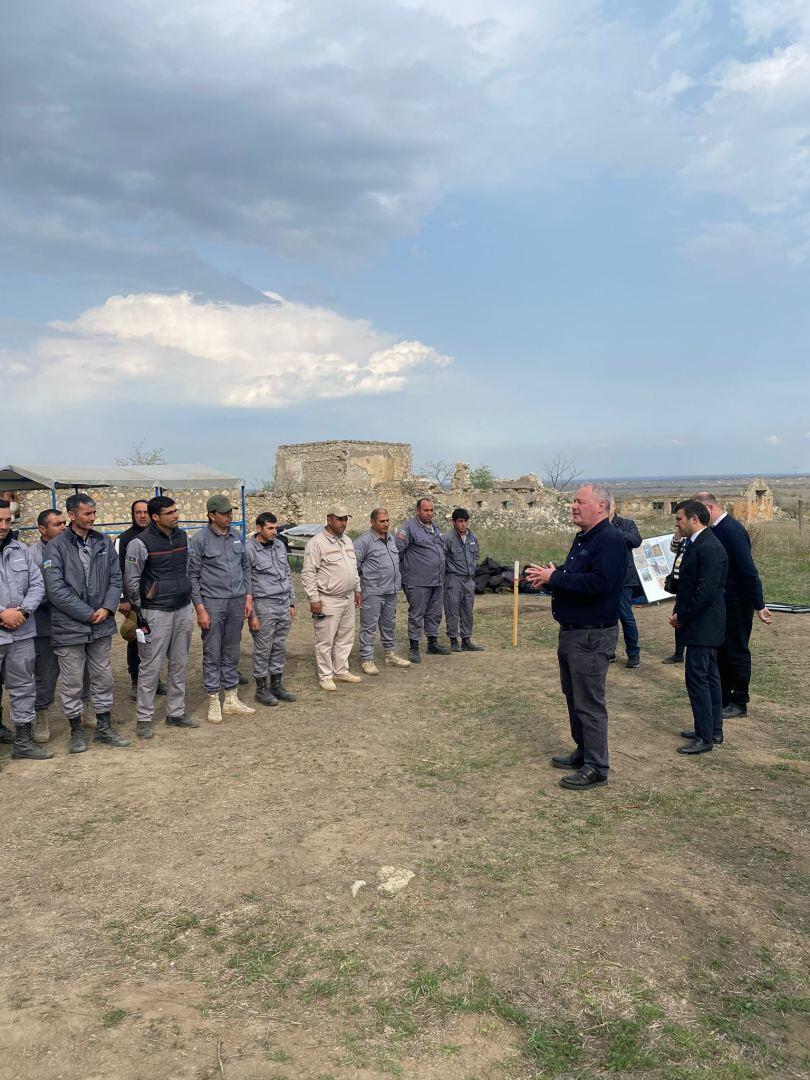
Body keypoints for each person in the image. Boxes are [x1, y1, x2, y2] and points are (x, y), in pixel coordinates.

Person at [525, 483, 626, 790]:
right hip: (573, 633)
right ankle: (584, 751)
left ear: (601, 506)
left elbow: (599, 584)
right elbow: (577, 578)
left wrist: (556, 577)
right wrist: (551, 579)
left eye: (580, 502)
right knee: (574, 697)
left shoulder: (610, 540)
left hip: (591, 636)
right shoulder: (584, 537)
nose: (573, 506)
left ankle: (596, 767)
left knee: (589, 702)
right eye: (573, 501)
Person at [43, 493, 129, 752]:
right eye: (87, 513)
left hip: (101, 624)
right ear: (71, 515)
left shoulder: (103, 542)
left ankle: (103, 726)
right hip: (69, 626)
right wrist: (87, 613)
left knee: (103, 676)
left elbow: (116, 578)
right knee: (72, 681)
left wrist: (107, 608)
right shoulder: (55, 547)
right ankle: (76, 731)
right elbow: (55, 589)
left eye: (94, 513)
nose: (92, 518)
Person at [123, 496, 199, 738]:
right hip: (155, 612)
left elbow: (188, 569)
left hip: (182, 608)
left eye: (176, 510)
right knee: (150, 666)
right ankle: (144, 718)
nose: (176, 516)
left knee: (179, 663)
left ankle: (176, 713)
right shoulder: (139, 543)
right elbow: (132, 580)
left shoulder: (182, 537)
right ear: (155, 517)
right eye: (170, 512)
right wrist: (142, 609)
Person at [693, 491, 772, 718]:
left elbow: (748, 570)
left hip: (737, 602)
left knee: (736, 651)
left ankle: (739, 701)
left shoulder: (732, 530)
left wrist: (759, 604)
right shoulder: (715, 530)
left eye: (698, 512)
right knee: (722, 651)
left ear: (709, 508)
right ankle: (724, 698)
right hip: (722, 602)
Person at [188, 495, 255, 723]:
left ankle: (231, 697)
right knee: (212, 650)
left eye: (230, 512)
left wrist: (248, 596)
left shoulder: (236, 536)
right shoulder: (200, 540)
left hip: (236, 601)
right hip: (213, 602)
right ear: (211, 515)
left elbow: (246, 567)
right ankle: (213, 697)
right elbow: (193, 576)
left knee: (232, 649)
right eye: (224, 513)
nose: (229, 516)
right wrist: (200, 608)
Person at [29, 508, 92, 744]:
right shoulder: (31, 554)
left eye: (64, 523)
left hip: (74, 621)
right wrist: (60, 598)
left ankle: (86, 707)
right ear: (42, 529)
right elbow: (34, 589)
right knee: (45, 673)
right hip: (44, 624)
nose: (64, 527)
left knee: (82, 669)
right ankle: (42, 716)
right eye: (57, 524)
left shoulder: (74, 547)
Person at [670, 500, 728, 755]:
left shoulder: (710, 547)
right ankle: (711, 729)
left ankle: (705, 737)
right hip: (700, 623)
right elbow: (688, 580)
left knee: (698, 680)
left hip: (703, 625)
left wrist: (682, 617)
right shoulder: (695, 543)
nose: (677, 524)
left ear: (695, 519)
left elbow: (704, 592)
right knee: (709, 677)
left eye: (680, 519)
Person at [0, 498, 50, 762]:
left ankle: (23, 742)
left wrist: (23, 612)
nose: (4, 525)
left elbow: (38, 585)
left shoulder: (21, 550)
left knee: (23, 687)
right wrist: (2, 613)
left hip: (21, 632)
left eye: (8, 520)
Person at [301, 506, 362, 691]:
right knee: (325, 640)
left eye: (345, 519)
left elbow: (353, 567)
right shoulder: (316, 543)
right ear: (329, 520)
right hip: (328, 599)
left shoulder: (347, 540)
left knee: (346, 637)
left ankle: (341, 670)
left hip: (347, 597)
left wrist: (357, 588)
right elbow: (308, 573)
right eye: (339, 519)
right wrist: (314, 599)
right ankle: (326, 675)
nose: (343, 523)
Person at [118, 500, 167, 701]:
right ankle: (136, 680)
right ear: (133, 514)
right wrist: (123, 598)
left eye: (145, 512)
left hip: (158, 600)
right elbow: (118, 570)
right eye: (138, 512)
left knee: (157, 640)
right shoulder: (124, 539)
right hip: (135, 600)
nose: (142, 516)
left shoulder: (161, 536)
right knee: (136, 639)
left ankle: (154, 679)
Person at [246, 512, 297, 706]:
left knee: (279, 645)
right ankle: (261, 689)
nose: (274, 532)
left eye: (276, 528)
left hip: (283, 603)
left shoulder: (279, 545)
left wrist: (291, 602)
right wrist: (252, 613)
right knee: (263, 648)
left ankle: (276, 685)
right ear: (258, 528)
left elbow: (287, 574)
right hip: (263, 605)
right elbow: (247, 583)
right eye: (270, 528)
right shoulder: (248, 550)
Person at [354, 508, 411, 675]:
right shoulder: (363, 542)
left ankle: (390, 654)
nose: (385, 524)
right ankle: (367, 659)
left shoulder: (391, 539)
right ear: (372, 522)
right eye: (381, 521)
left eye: (387, 520)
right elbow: (354, 567)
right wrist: (359, 588)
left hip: (390, 590)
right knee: (369, 627)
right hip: (372, 591)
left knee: (389, 625)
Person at [396, 498, 450, 664]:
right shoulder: (408, 528)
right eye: (426, 510)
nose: (429, 513)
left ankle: (432, 643)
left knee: (434, 613)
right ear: (418, 511)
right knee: (416, 614)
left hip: (437, 580)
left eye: (431, 510)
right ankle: (414, 647)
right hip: (417, 580)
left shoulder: (435, 528)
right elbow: (398, 553)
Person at [443, 508, 484, 653]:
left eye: (465, 521)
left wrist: (472, 569)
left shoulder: (473, 537)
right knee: (452, 610)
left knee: (467, 610)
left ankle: (466, 640)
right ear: (454, 522)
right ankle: (453, 640)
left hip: (468, 580)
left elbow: (476, 555)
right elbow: (442, 558)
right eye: (460, 521)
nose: (463, 524)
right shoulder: (448, 538)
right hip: (453, 579)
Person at [608, 499, 642, 668]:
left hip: (624, 579)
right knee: (608, 617)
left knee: (626, 617)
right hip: (604, 579)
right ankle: (609, 652)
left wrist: (613, 531)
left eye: (609, 504)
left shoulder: (627, 524)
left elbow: (636, 540)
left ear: (614, 507)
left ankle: (633, 654)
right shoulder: (595, 525)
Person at [662, 533, 688, 664]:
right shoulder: (686, 539)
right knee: (677, 618)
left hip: (689, 587)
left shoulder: (700, 541)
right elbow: (673, 548)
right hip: (680, 588)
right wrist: (678, 534)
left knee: (683, 618)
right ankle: (678, 654)